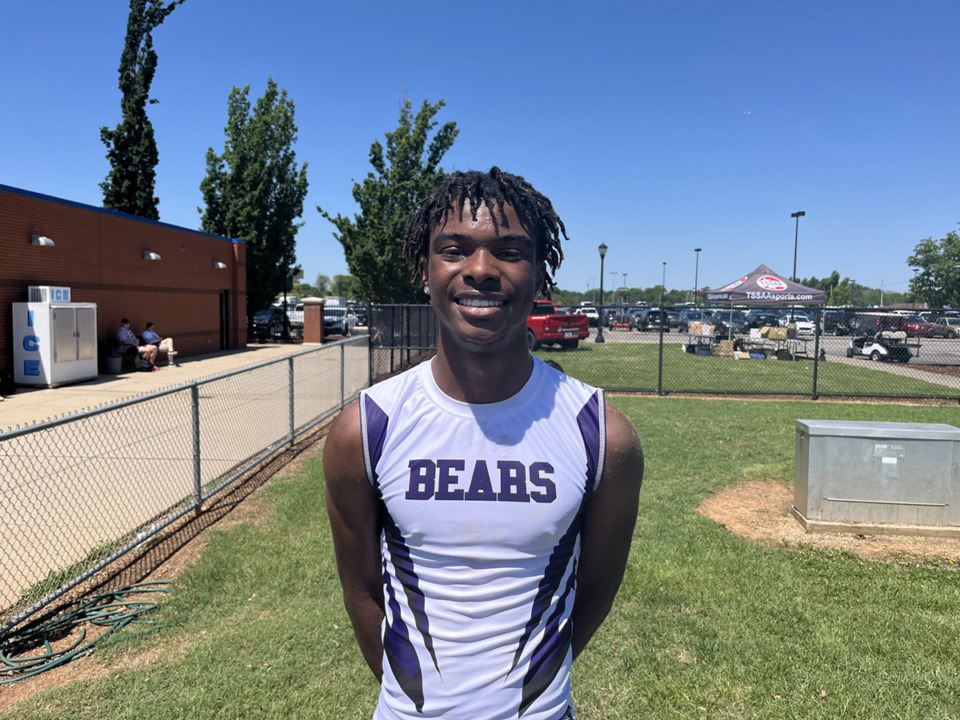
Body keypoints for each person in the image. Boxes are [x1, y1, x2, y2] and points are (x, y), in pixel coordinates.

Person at [323, 167, 644, 720]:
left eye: (510, 252)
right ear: (424, 269)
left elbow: (595, 590)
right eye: (454, 249)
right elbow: (362, 593)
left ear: (541, 273)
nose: (480, 270)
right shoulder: (366, 429)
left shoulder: (602, 434)